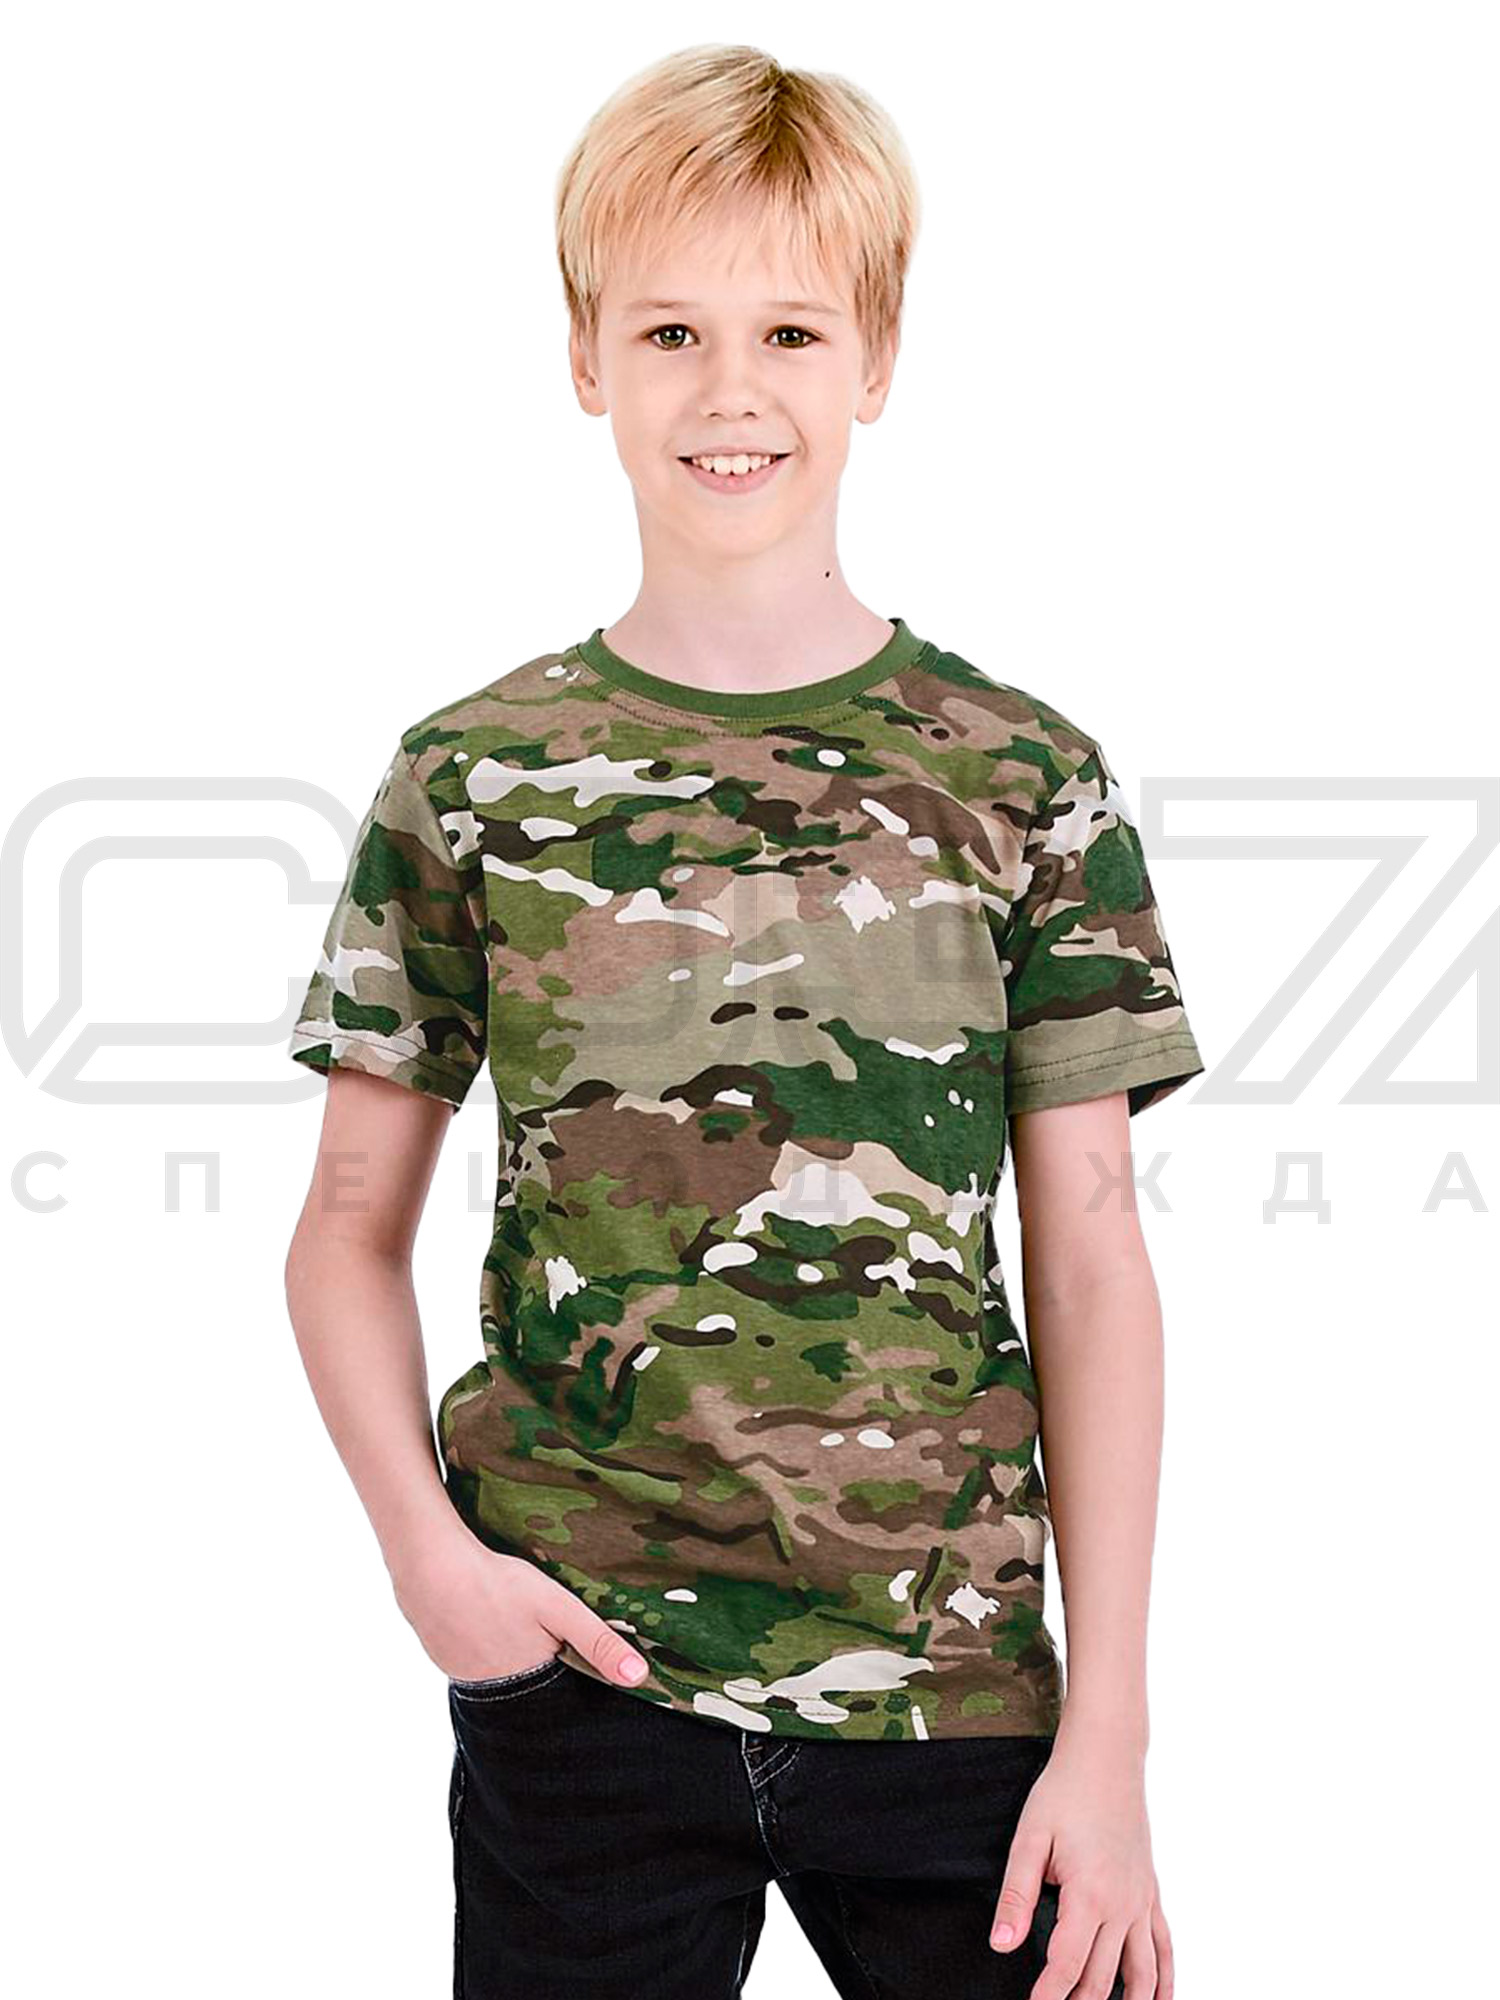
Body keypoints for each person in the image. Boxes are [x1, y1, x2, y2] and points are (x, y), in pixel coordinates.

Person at [283, 41, 1205, 2000]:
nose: (730, 391)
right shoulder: (474, 779)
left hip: (956, 1692)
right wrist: (432, 1563)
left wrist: (1111, 1734)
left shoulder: (1021, 781)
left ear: (877, 360)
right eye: (670, 331)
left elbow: (1096, 1259)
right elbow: (344, 1232)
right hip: (583, 1680)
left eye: (790, 330)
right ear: (584, 358)